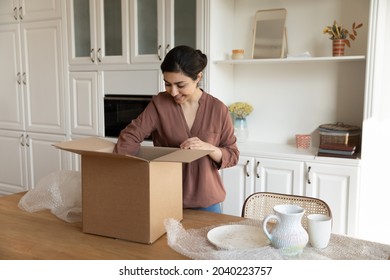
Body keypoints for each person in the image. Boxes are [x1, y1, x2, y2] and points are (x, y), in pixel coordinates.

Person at [114, 45, 239, 213]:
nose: (173, 92)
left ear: (198, 77)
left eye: (181, 85)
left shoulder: (218, 109)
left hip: (207, 201)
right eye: (167, 84)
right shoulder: (160, 104)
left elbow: (232, 154)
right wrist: (127, 175)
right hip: (164, 197)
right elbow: (129, 137)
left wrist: (210, 148)